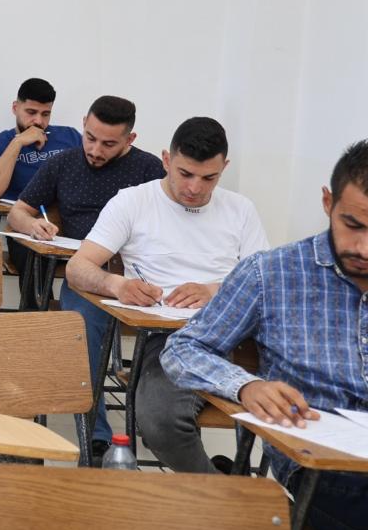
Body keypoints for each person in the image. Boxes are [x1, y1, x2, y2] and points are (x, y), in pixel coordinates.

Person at [163, 139, 368, 530]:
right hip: (323, 468)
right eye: (353, 225)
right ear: (327, 203)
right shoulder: (271, 273)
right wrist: (246, 386)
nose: (364, 248)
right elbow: (183, 348)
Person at [64, 117, 268, 472]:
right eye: (185, 173)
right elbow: (77, 268)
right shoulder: (133, 202)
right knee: (160, 422)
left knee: (304, 413)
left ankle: (238, 492)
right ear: (166, 160)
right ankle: (227, 493)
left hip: (233, 335)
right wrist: (118, 285)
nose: (195, 188)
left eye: (209, 178)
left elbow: (266, 284)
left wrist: (215, 291)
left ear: (224, 168)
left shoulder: (241, 209)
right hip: (166, 337)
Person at [5, 94, 164, 460]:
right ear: (83, 125)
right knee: (81, 323)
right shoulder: (64, 162)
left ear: (130, 139)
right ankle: (97, 434)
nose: (95, 149)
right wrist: (32, 225)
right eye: (90, 137)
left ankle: (157, 419)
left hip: (139, 275)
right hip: (88, 274)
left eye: (108, 144)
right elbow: (18, 213)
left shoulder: (149, 171)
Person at [0, 77, 82, 202]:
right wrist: (18, 142)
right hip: (19, 212)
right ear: (15, 108)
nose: (38, 121)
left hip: (68, 210)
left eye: (45, 114)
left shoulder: (70, 136)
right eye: (31, 112)